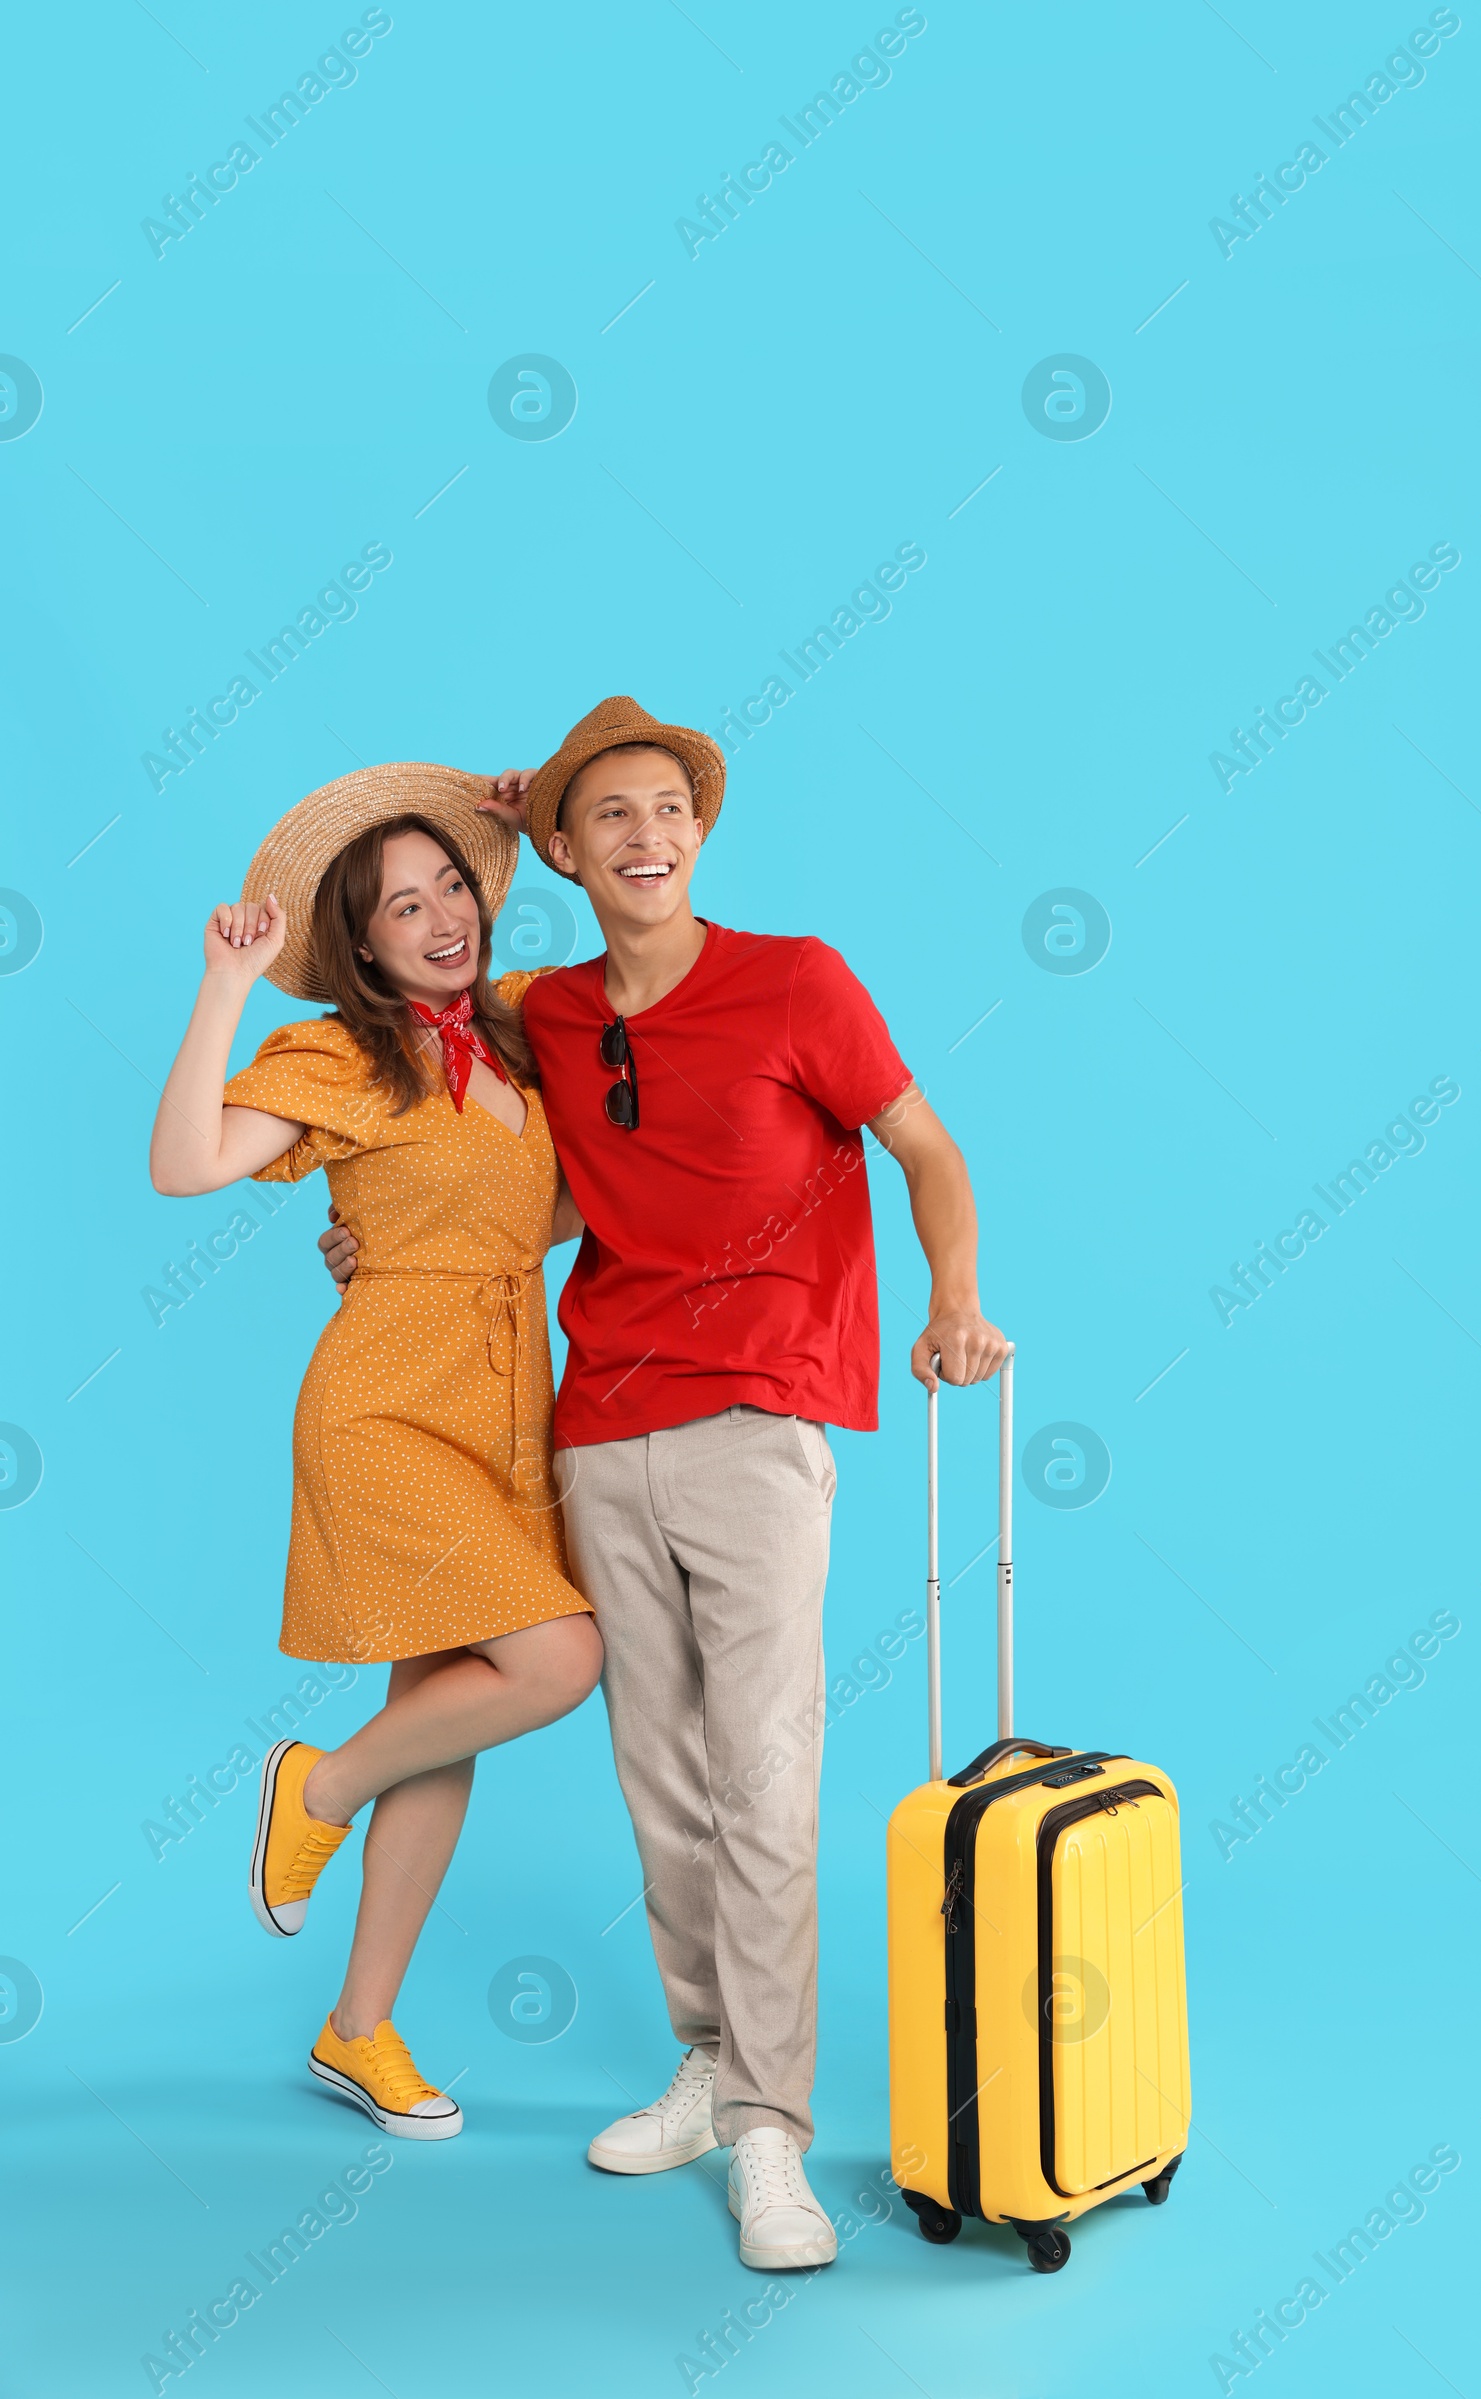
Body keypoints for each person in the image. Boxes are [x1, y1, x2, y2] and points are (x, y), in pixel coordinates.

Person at [322, 699, 1006, 2267]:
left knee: (764, 1778)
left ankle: (772, 2132)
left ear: (700, 835)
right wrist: (383, 1237)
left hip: (760, 1421)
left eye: (665, 810)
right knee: (664, 1781)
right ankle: (708, 2061)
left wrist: (952, 1298)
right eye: (607, 819)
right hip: (598, 1428)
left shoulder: (797, 979)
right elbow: (485, 1148)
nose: (645, 837)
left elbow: (925, 1149)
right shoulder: (544, 1012)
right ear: (560, 854)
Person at [151, 763, 601, 2141]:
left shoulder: (522, 1033)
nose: (441, 915)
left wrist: (543, 827)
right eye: (403, 904)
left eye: (454, 884)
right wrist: (227, 984)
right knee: (555, 1660)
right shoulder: (344, 1057)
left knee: (445, 1710)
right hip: (385, 1403)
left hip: (507, 1401)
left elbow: (551, 1213)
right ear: (358, 941)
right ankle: (316, 1785)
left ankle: (359, 2029)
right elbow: (185, 1163)